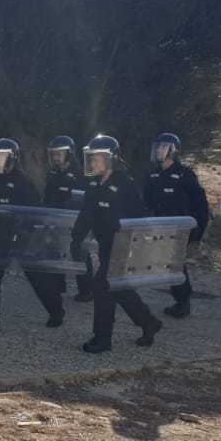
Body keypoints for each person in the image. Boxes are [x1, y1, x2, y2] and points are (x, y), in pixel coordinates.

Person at [70, 134, 161, 352]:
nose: (92, 162)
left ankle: (102, 339)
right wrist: (76, 238)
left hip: (123, 246)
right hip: (105, 245)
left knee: (101, 287)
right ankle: (149, 322)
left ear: (110, 159)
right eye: (91, 158)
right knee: (118, 289)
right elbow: (86, 214)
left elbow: (140, 217)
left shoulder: (125, 184)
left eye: (97, 158)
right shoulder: (93, 183)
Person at [0, 138, 66, 330]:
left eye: (0, 158)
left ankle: (56, 310)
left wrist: (26, 238)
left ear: (12, 158)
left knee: (36, 276)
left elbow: (36, 213)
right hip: (0, 236)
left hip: (22, 238)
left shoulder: (23, 183)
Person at [142, 132, 209, 319]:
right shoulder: (152, 175)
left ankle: (183, 301)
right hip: (160, 227)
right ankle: (181, 298)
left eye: (163, 147)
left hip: (180, 228)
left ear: (173, 151)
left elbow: (200, 204)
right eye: (157, 147)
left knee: (174, 263)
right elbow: (147, 201)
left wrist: (199, 231)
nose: (158, 151)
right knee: (169, 263)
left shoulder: (185, 175)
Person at [43, 135, 93, 302]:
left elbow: (83, 201)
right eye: (53, 154)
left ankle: (87, 290)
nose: (55, 157)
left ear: (69, 154)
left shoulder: (79, 175)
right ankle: (58, 286)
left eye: (59, 154)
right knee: (56, 252)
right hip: (55, 220)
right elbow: (48, 197)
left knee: (79, 254)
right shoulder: (51, 173)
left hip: (75, 222)